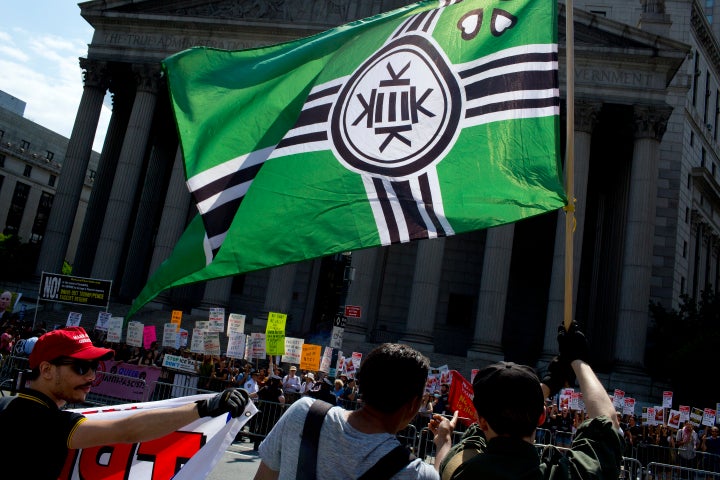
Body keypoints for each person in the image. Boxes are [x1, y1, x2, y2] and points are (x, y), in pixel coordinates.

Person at [0, 326, 249, 479]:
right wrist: (204, 408)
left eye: (95, 367)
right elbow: (127, 430)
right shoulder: (48, 422)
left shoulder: (8, 405)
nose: (91, 376)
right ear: (46, 370)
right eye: (81, 367)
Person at [438, 321, 624, 480]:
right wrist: (578, 360)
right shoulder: (568, 475)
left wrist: (444, 440)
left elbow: (465, 447)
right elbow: (608, 423)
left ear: (483, 421)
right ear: (541, 416)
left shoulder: (458, 470)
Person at [254, 343, 457, 479]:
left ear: (361, 388)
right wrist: (444, 442)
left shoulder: (302, 413)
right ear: (414, 404)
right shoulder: (413, 473)